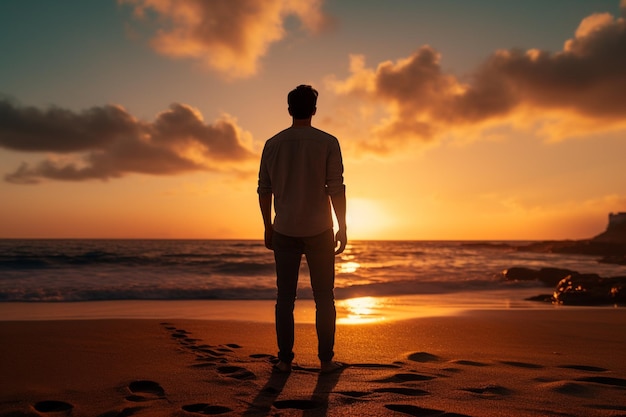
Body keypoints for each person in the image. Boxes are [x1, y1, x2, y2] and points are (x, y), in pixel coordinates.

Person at [257, 85, 347, 374]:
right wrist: (342, 226)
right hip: (320, 228)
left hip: (284, 228)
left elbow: (264, 189)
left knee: (285, 297)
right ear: (314, 110)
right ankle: (326, 361)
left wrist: (267, 226)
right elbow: (336, 187)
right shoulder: (328, 142)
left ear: (288, 110)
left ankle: (284, 360)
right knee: (324, 297)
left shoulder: (273, 144)